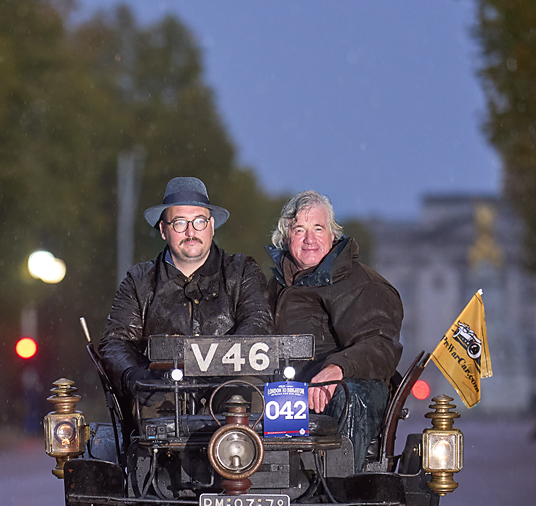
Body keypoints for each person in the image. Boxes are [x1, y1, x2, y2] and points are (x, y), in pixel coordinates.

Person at [100, 176, 272, 398]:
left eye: (199, 221)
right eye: (179, 222)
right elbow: (116, 341)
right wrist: (134, 375)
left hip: (229, 392)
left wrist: (220, 369)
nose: (191, 232)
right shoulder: (139, 281)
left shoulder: (242, 272)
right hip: (162, 396)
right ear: (163, 230)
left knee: (246, 393)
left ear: (211, 226)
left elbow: (258, 323)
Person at [266, 191, 403, 414]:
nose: (309, 239)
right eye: (299, 230)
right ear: (286, 237)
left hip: (334, 401)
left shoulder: (362, 284)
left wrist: (338, 367)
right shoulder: (274, 285)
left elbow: (382, 345)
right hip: (280, 400)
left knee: (351, 393)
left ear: (332, 235)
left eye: (318, 229)